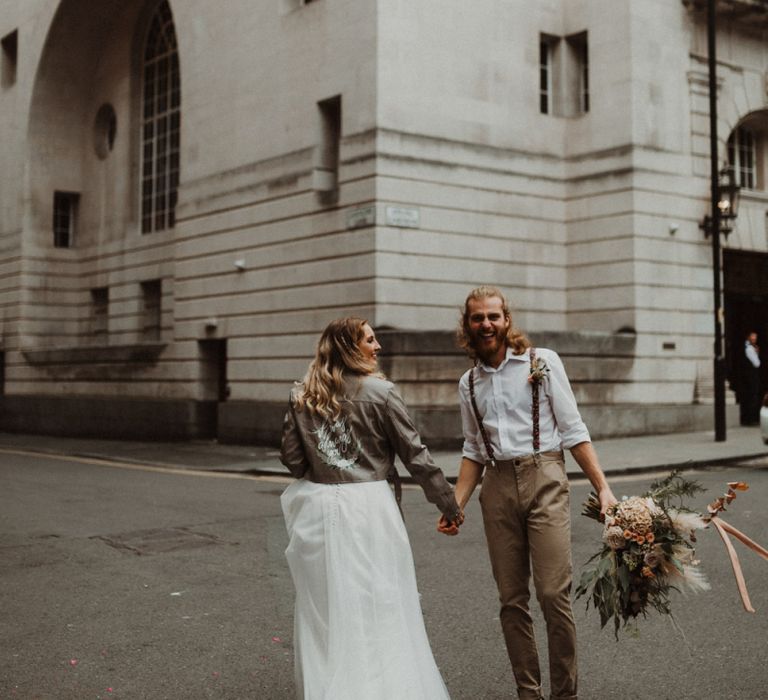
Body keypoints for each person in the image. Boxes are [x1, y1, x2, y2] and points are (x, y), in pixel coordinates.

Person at [438, 286, 617, 700]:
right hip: (496, 486)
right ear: (467, 325)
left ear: (507, 320)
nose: (486, 324)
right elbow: (473, 449)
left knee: (554, 593)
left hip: (545, 476)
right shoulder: (468, 383)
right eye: (477, 318)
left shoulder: (542, 362)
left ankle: (565, 694)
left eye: (493, 317)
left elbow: (573, 430)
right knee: (511, 599)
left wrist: (603, 489)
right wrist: (456, 504)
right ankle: (528, 692)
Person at [280, 316, 462, 700]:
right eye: (370, 339)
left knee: (328, 606)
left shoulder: (302, 396)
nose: (377, 346)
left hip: (319, 507)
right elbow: (415, 454)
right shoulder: (381, 392)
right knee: (380, 599)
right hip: (369, 506)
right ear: (350, 347)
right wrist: (448, 503)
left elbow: (294, 461)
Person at [740, 330, 762, 426]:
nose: (754, 339)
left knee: (750, 397)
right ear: (748, 337)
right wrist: (757, 354)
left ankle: (748, 419)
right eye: (753, 337)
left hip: (748, 377)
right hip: (751, 377)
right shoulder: (749, 349)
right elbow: (757, 364)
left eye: (755, 337)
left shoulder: (748, 347)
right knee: (752, 397)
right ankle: (750, 420)